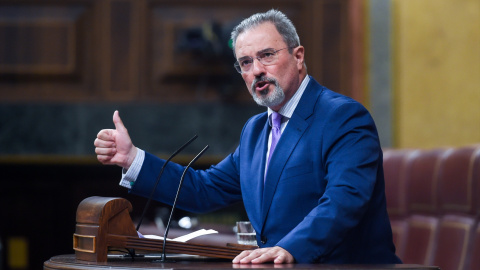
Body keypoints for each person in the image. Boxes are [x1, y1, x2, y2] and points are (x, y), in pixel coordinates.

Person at [94, 9, 401, 264]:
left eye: (267, 55)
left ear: (298, 56)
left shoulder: (343, 117)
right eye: (246, 62)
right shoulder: (255, 130)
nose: (257, 70)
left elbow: (343, 201)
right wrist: (132, 159)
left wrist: (291, 248)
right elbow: (204, 190)